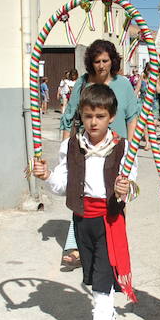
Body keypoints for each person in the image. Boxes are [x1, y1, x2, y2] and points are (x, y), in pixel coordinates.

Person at [33, 84, 138, 320]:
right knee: (93, 281)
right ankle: (108, 317)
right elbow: (62, 184)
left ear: (111, 117)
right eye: (89, 115)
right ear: (81, 114)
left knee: (102, 287)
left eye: (101, 116)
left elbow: (132, 185)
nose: (94, 122)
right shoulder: (72, 146)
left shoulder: (122, 147)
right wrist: (46, 177)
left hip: (109, 222)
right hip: (82, 222)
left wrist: (125, 188)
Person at [58, 42, 139, 269]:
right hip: (87, 149)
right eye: (97, 61)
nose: (102, 66)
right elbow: (69, 116)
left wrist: (131, 149)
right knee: (81, 195)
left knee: (116, 201)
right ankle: (77, 247)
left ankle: (112, 248)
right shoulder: (83, 83)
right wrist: (66, 148)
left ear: (113, 61)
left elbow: (133, 116)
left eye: (105, 61)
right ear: (90, 63)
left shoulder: (123, 84)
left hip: (116, 151)